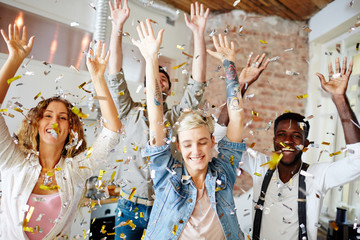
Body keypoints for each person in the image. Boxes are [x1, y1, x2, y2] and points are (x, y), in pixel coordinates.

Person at [217, 55, 360, 239]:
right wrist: (241, 85)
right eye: (281, 135)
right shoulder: (260, 166)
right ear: (274, 140)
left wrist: (339, 98)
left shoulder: (316, 176)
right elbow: (220, 138)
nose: (288, 141)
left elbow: (357, 162)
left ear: (305, 144)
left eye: (296, 136)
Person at [0, 23, 121, 239]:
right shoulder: (13, 160)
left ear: (71, 129)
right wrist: (14, 60)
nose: (54, 122)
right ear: (36, 124)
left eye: (63, 118)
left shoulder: (75, 170)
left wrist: (98, 78)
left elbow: (112, 132)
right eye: (48, 115)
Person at [134, 19, 246, 239]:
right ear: (178, 146)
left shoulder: (224, 172)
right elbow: (156, 117)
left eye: (203, 142)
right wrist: (151, 59)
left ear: (213, 141)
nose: (196, 151)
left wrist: (229, 64)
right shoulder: (167, 176)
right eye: (187, 144)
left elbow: (237, 117)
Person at [107, 1, 209, 238]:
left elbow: (197, 85)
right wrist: (117, 27)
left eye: (164, 79)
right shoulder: (128, 111)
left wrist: (198, 33)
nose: (159, 80)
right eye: (154, 78)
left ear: (169, 91)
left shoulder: (178, 117)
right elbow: (114, 74)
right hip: (128, 205)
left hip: (165, 204)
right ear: (144, 89)